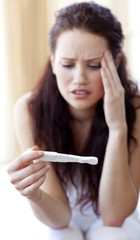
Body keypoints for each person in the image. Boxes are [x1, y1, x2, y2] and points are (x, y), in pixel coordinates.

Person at [7, 2, 140, 240]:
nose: (79, 79)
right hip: (57, 217)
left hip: (116, 217)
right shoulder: (30, 110)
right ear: (53, 61)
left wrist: (118, 127)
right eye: (67, 65)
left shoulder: (135, 107)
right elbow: (60, 219)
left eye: (94, 66)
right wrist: (33, 194)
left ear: (116, 62)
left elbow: (114, 217)